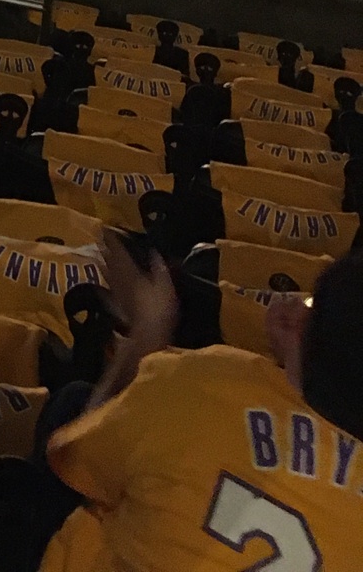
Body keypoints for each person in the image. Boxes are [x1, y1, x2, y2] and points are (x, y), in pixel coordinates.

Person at [41, 242, 363, 572]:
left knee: (71, 405)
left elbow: (75, 462)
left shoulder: (208, 379)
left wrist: (148, 333)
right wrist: (298, 362)